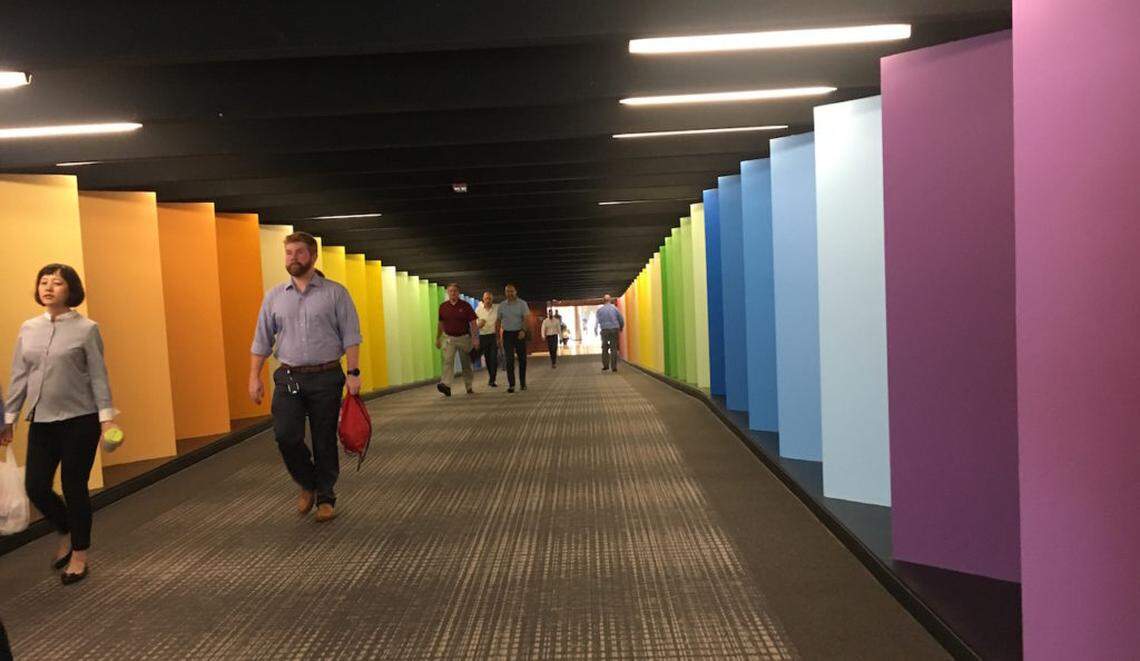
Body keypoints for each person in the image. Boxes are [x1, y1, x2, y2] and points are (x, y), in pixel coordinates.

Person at [1, 264, 121, 586]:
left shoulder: (86, 329)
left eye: (57, 283)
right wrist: (8, 419)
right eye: (43, 282)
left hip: (80, 420)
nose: (49, 288)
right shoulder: (28, 328)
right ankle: (66, 529)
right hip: (42, 420)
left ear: (71, 290)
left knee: (74, 486)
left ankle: (80, 554)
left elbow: (98, 376)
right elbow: (19, 377)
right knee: (35, 486)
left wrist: (106, 416)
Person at [250, 231, 362, 523]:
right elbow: (261, 340)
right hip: (289, 377)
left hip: (327, 376)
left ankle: (326, 496)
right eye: (289, 253)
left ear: (313, 256)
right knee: (286, 435)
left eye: (300, 253)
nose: (293, 258)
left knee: (324, 439)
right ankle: (307, 483)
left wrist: (353, 373)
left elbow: (351, 335)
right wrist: (254, 376)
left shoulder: (335, 293)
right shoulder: (274, 296)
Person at [435, 283, 479, 397]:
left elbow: (473, 323)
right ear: (447, 293)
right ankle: (446, 385)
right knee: (447, 361)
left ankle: (469, 386)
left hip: (464, 338)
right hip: (449, 338)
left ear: (458, 293)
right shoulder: (443, 307)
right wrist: (438, 338)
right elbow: (440, 323)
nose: (453, 293)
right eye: (450, 291)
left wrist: (475, 338)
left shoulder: (465, 305)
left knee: (466, 364)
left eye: (455, 291)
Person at [498, 284, 532, 393]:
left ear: (516, 292)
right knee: (509, 360)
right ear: (505, 293)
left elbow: (526, 318)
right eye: (507, 291)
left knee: (522, 359)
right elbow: (498, 321)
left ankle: (523, 383)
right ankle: (511, 385)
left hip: (519, 333)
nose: (510, 293)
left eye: (512, 291)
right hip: (507, 334)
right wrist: (497, 336)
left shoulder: (522, 304)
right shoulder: (502, 306)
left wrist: (523, 330)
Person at [475, 291, 500, 387]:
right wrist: (479, 324)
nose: (488, 300)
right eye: (486, 299)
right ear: (483, 299)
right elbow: (474, 324)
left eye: (489, 298)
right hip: (483, 336)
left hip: (493, 336)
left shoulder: (496, 309)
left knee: (494, 358)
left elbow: (499, 322)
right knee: (488, 359)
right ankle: (491, 377)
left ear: (492, 299)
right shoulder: (478, 310)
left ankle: (492, 379)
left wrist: (498, 338)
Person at [595, 294, 625, 372]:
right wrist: (621, 327)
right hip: (614, 330)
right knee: (613, 348)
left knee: (604, 348)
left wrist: (595, 329)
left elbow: (597, 321)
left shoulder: (600, 310)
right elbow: (621, 319)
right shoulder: (615, 309)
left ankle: (605, 366)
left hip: (604, 330)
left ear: (603, 301)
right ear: (610, 300)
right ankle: (614, 367)